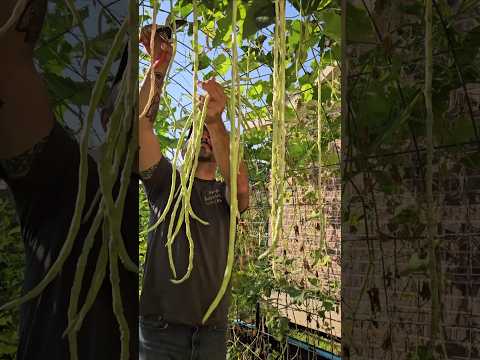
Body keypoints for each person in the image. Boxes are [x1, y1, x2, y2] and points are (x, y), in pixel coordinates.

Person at [0, 1, 138, 359]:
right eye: (133, 82)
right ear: (106, 114)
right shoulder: (66, 178)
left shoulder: (155, 193)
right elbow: (7, 58)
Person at [138, 24, 250, 359]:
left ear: (217, 146)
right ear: (184, 147)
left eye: (208, 132)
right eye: (196, 130)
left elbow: (241, 187)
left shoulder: (226, 195)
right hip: (160, 333)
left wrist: (216, 122)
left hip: (212, 335)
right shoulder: (165, 183)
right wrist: (158, 68)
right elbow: (139, 125)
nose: (203, 134)